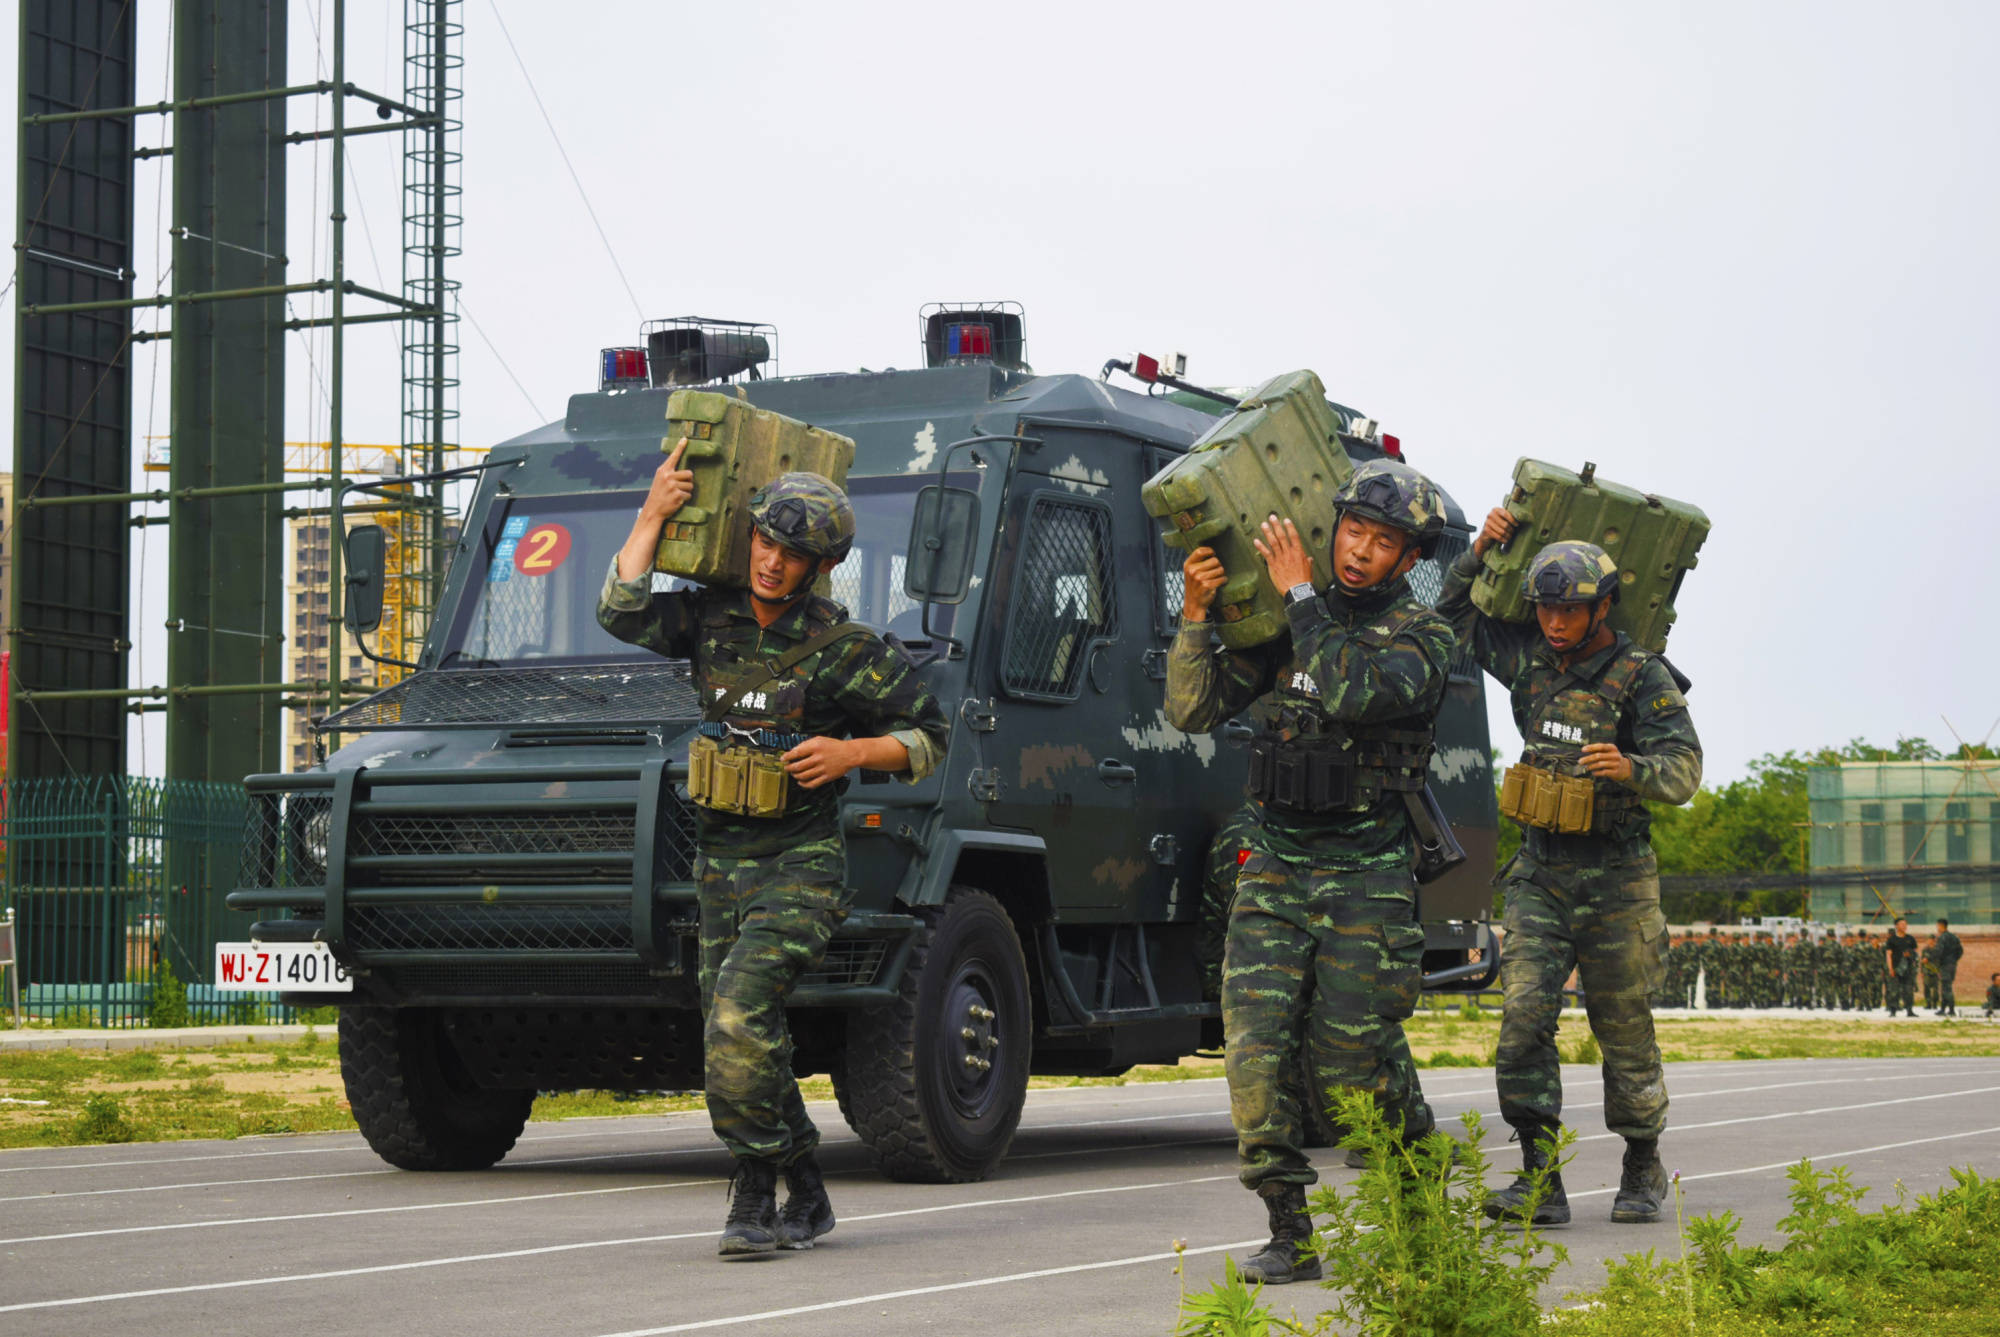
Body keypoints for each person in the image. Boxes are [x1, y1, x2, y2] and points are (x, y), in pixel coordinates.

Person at [598, 447, 950, 1257]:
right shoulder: (707, 620)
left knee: (735, 1018)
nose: (769, 559)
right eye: (762, 541)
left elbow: (931, 736)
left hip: (801, 866)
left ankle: (755, 1190)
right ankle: (805, 1180)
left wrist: (849, 754)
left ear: (821, 566)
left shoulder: (845, 648)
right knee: (741, 1041)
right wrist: (653, 510)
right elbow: (620, 609)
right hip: (721, 867)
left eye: (790, 553)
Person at [1165, 459, 1455, 1285]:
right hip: (1277, 868)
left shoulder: (1423, 638)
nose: (1360, 551)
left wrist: (1298, 598)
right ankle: (1290, 1227)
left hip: (1368, 878)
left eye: (1383, 541)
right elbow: (1191, 709)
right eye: (1354, 530)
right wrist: (1195, 616)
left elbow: (1352, 692)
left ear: (1408, 558)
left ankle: (1416, 1178)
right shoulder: (1286, 620)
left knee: (1350, 1066)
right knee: (1255, 1059)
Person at [1440, 520, 1702, 1227]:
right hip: (1540, 873)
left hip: (1617, 877)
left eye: (1569, 610)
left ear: (1603, 607)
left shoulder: (1641, 675)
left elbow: (1685, 770)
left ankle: (1641, 1161)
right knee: (1523, 1019)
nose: (1555, 622)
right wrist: (1477, 551)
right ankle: (1539, 1175)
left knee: (1623, 1024)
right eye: (1546, 609)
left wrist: (1631, 766)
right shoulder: (1529, 657)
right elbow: (1452, 614)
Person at [1884, 917, 1919, 1017]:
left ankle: (1909, 1010)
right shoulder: (1892, 940)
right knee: (1894, 990)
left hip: (1908, 969)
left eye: (1905, 924)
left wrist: (1911, 955)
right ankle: (1893, 1010)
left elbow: (1916, 953)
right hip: (1895, 968)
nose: (1904, 926)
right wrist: (1890, 968)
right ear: (1896, 926)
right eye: (1902, 924)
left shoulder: (1910, 939)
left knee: (1908, 990)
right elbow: (1888, 955)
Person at [1935, 917, 1963, 1017]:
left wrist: (1938, 963)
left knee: (1946, 988)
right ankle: (1943, 1008)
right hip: (1952, 965)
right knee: (1946, 986)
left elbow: (1939, 952)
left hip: (1944, 965)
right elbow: (1960, 951)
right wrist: (1954, 960)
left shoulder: (1942, 937)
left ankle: (1951, 1009)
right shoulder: (1954, 937)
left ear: (1940, 925)